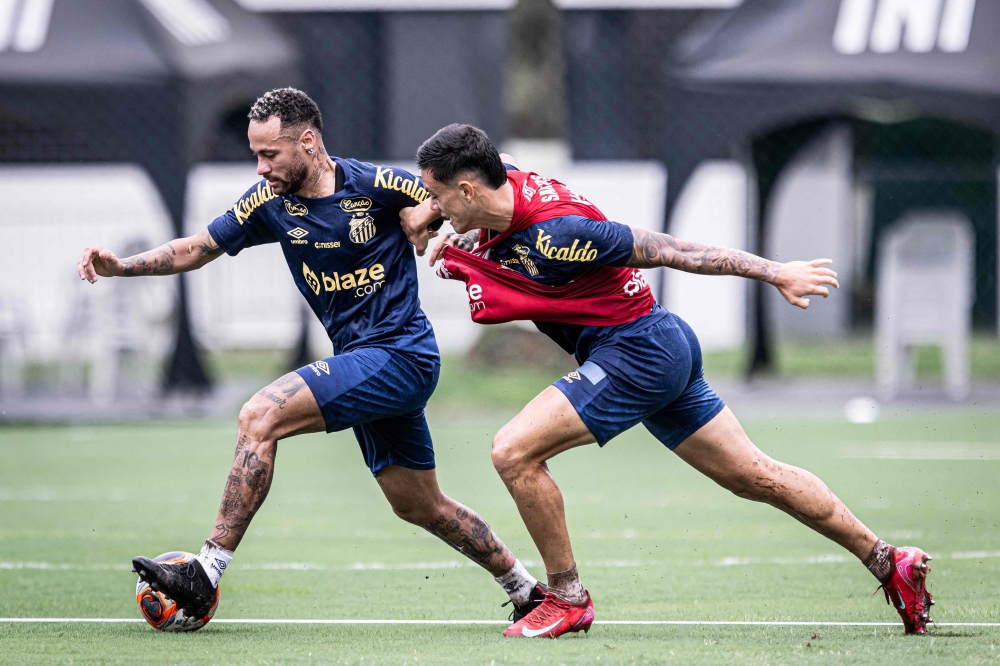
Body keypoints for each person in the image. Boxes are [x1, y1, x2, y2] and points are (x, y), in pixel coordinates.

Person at [401, 123, 934, 638]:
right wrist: (426, 210)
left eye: (438, 196)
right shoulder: (503, 179)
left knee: (513, 452)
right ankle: (890, 561)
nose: (434, 210)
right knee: (756, 476)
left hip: (638, 351)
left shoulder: (558, 234)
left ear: (468, 189)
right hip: (655, 344)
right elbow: (488, 174)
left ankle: (566, 600)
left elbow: (675, 250)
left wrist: (775, 271)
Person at [76, 90, 545, 623]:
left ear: (308, 140)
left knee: (260, 414)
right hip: (359, 360)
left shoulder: (378, 185)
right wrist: (123, 267)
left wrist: (432, 213)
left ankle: (205, 571)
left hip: (401, 354)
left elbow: (474, 186)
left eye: (270, 154)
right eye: (255, 155)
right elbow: (197, 248)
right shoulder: (266, 201)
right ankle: (526, 590)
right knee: (418, 504)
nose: (261, 167)